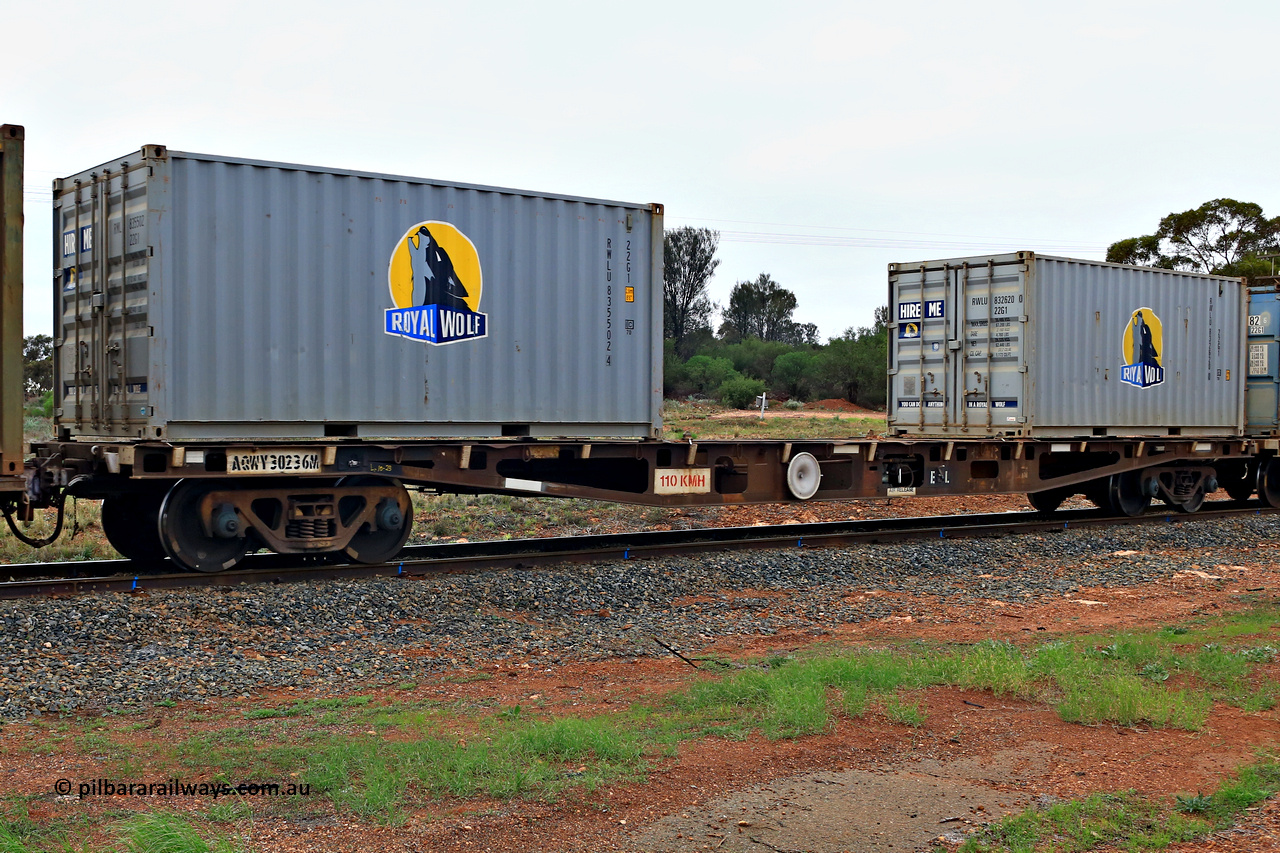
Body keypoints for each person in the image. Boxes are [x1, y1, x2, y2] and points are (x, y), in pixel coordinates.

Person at [406, 225, 471, 310]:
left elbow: (449, 272)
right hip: (426, 290)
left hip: (440, 291)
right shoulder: (417, 254)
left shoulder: (439, 252)